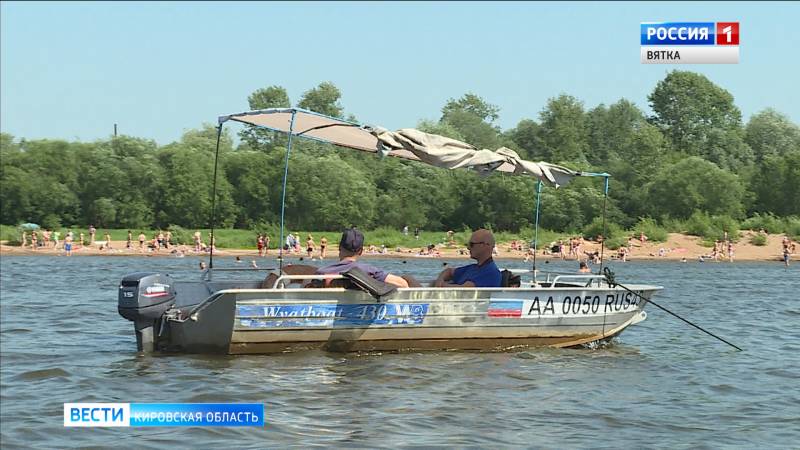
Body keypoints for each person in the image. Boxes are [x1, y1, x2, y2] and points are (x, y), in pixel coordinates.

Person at [316, 228, 409, 288]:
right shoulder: (369, 271)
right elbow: (403, 284)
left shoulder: (321, 272)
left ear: (339, 248)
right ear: (360, 251)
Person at [434, 229, 501, 288]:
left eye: (472, 244)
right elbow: (449, 271)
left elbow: (465, 290)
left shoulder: (490, 273)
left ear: (485, 245)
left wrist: (440, 285)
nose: (468, 248)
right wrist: (440, 279)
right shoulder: (472, 268)